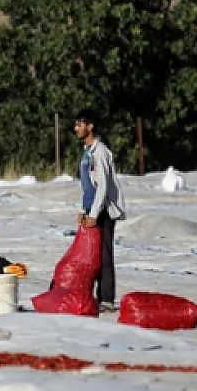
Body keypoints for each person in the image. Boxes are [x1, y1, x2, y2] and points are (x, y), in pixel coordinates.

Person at [74, 115, 126, 311]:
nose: (76, 128)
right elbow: (88, 186)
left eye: (79, 125)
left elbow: (103, 186)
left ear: (90, 126)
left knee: (104, 254)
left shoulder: (100, 152)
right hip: (92, 208)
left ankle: (106, 298)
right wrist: (83, 209)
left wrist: (94, 213)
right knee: (92, 255)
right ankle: (94, 295)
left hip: (103, 209)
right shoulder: (87, 152)